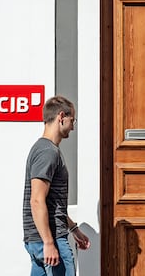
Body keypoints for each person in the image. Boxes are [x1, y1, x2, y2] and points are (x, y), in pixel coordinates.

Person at [23, 95, 90, 276]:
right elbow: (37, 200)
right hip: (50, 240)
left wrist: (74, 229)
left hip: (39, 239)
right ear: (61, 117)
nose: (73, 126)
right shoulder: (47, 152)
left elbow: (52, 204)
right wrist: (49, 242)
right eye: (72, 120)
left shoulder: (44, 149)